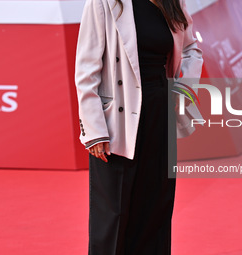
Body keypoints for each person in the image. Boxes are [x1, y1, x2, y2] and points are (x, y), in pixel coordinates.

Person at [74, 0, 203, 254]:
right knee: (113, 217)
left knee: (156, 211)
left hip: (160, 113)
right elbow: (87, 69)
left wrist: (183, 92)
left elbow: (190, 50)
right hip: (116, 124)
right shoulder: (104, 2)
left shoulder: (172, 2)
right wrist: (94, 128)